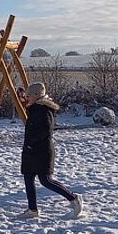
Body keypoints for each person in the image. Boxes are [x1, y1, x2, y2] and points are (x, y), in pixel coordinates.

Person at [19, 82, 83, 219]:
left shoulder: (43, 110)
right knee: (28, 178)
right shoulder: (36, 108)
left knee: (45, 180)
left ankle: (73, 198)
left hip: (41, 151)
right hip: (32, 150)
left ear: (36, 96)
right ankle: (32, 209)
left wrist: (31, 142)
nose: (27, 98)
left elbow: (46, 131)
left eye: (28, 95)